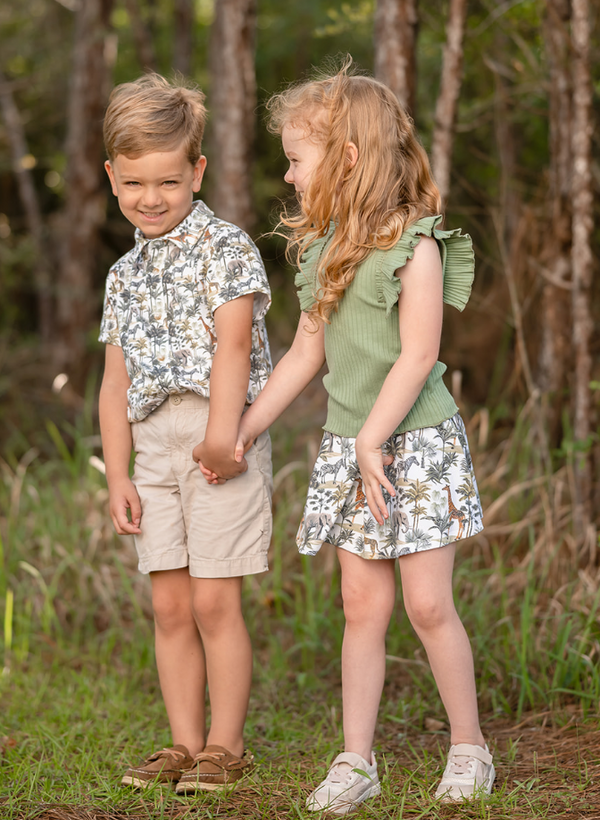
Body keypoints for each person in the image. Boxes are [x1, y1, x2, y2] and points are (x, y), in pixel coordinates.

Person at [201, 60, 494, 814]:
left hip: (415, 445)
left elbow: (420, 353)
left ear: (348, 159)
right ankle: (355, 759)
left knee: (428, 606)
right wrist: (241, 430)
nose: (291, 177)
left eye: (298, 159)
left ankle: (469, 746)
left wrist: (373, 440)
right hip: (351, 445)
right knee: (361, 607)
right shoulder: (325, 249)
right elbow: (306, 353)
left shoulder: (417, 246)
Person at [98, 73, 273, 794]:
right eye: (135, 181)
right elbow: (114, 383)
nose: (152, 197)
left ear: (196, 171)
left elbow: (233, 347)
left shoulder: (225, 247)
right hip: (152, 446)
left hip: (214, 435)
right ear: (111, 177)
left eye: (169, 180)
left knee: (211, 600)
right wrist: (118, 474)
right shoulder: (122, 273)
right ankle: (182, 741)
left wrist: (223, 438)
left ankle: (224, 747)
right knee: (169, 602)